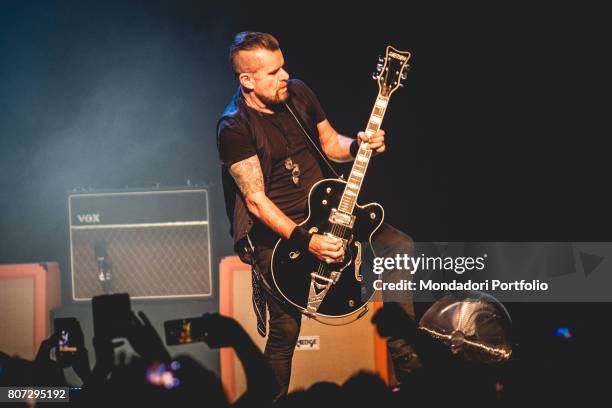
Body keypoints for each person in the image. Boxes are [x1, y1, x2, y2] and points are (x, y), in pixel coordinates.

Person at [216, 31, 386, 397]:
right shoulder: (234, 127)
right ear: (247, 80)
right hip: (281, 234)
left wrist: (359, 144)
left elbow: (331, 145)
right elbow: (257, 202)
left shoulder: (298, 92)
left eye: (283, 66)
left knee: (400, 247)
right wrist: (308, 242)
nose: (284, 76)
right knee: (285, 332)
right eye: (273, 71)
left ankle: (409, 376)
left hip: (329, 214)